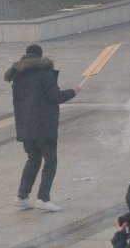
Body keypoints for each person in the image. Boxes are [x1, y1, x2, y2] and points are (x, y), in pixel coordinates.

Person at [4, 44, 78, 212]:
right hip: (44, 125)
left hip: (25, 126)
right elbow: (54, 97)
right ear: (40, 56)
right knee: (50, 161)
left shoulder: (18, 75)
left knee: (33, 160)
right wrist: (72, 92)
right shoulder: (45, 73)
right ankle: (43, 198)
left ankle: (22, 196)